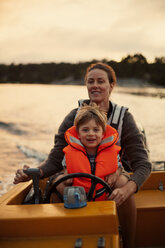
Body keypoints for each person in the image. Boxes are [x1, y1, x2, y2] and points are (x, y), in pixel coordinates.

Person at [13, 62, 152, 248]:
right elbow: (55, 160)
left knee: (123, 186)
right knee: (59, 184)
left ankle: (129, 243)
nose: (95, 85)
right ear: (86, 85)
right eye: (90, 81)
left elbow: (143, 164)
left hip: (110, 179)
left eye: (100, 81)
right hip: (76, 177)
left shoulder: (124, 119)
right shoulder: (73, 117)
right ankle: (61, 239)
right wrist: (33, 173)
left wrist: (129, 188)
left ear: (111, 85)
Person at [60, 103, 126, 201]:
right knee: (59, 182)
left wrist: (115, 174)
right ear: (78, 134)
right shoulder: (70, 152)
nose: (91, 134)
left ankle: (121, 213)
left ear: (103, 133)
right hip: (79, 195)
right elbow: (66, 169)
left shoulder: (111, 151)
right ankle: (67, 213)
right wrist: (66, 177)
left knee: (122, 181)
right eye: (85, 130)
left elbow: (119, 167)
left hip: (104, 193)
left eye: (96, 130)